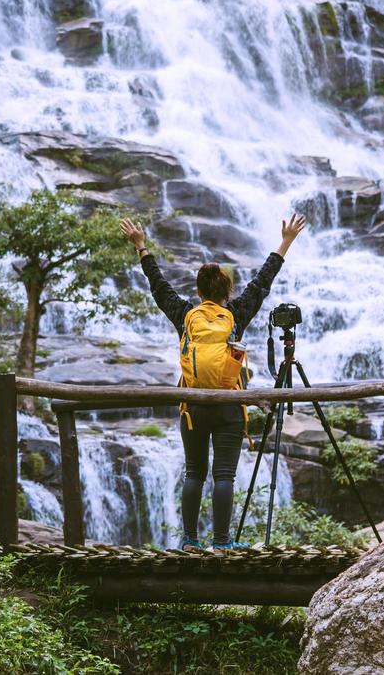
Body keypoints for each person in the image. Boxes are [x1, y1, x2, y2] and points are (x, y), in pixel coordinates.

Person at [119, 214, 308, 550]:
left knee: (194, 473)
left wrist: (141, 246)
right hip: (228, 405)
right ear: (226, 290)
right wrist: (286, 241)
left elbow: (159, 286)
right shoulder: (236, 315)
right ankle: (222, 543)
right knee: (224, 476)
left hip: (193, 405)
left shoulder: (185, 315)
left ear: (198, 290)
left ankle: (190, 541)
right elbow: (263, 280)